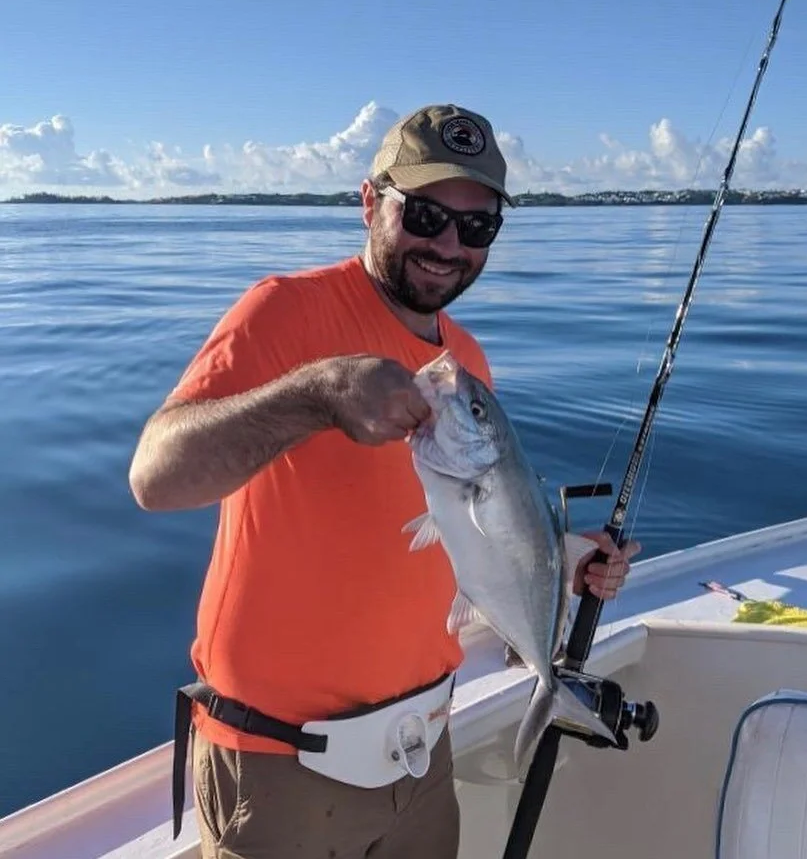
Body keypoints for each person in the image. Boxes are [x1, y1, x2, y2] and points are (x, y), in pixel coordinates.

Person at [128, 103, 639, 859]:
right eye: (426, 214)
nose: (448, 245)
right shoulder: (285, 311)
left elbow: (458, 528)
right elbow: (155, 477)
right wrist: (316, 394)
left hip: (423, 759)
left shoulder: (464, 360)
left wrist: (554, 560)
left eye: (477, 226)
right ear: (370, 202)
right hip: (281, 769)